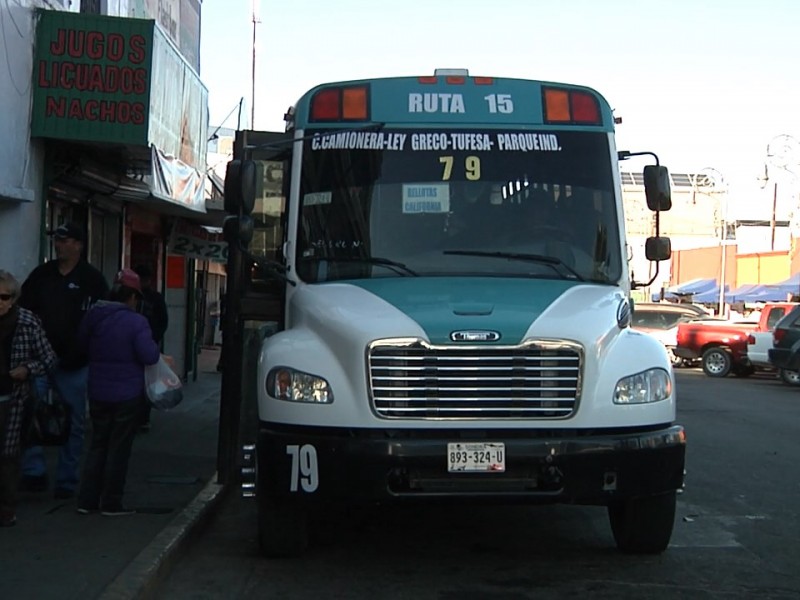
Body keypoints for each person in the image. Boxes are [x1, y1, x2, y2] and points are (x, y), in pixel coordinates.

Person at [18, 222, 109, 499]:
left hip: (75, 363)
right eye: (57, 240)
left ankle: (66, 481)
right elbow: (24, 312)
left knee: (74, 422)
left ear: (78, 245)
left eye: (66, 240)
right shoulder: (41, 276)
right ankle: (34, 471)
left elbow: (100, 322)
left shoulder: (92, 280)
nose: (59, 246)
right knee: (27, 413)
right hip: (40, 360)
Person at [76, 269, 160, 516]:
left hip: (98, 391)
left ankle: (87, 501)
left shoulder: (94, 316)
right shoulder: (137, 322)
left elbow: (81, 345)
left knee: (98, 445)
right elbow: (149, 355)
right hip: (127, 393)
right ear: (132, 297)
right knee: (118, 448)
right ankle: (111, 502)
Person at [0, 270, 57, 526]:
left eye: (4, 296)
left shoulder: (27, 322)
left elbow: (48, 359)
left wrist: (27, 370)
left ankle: (6, 508)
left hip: (13, 399)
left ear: (13, 298)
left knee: (8, 456)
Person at [132, 264, 168, 431]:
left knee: (146, 383)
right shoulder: (136, 296)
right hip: (143, 343)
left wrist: (154, 339)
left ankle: (143, 417)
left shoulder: (154, 298)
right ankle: (139, 417)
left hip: (148, 343)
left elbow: (162, 322)